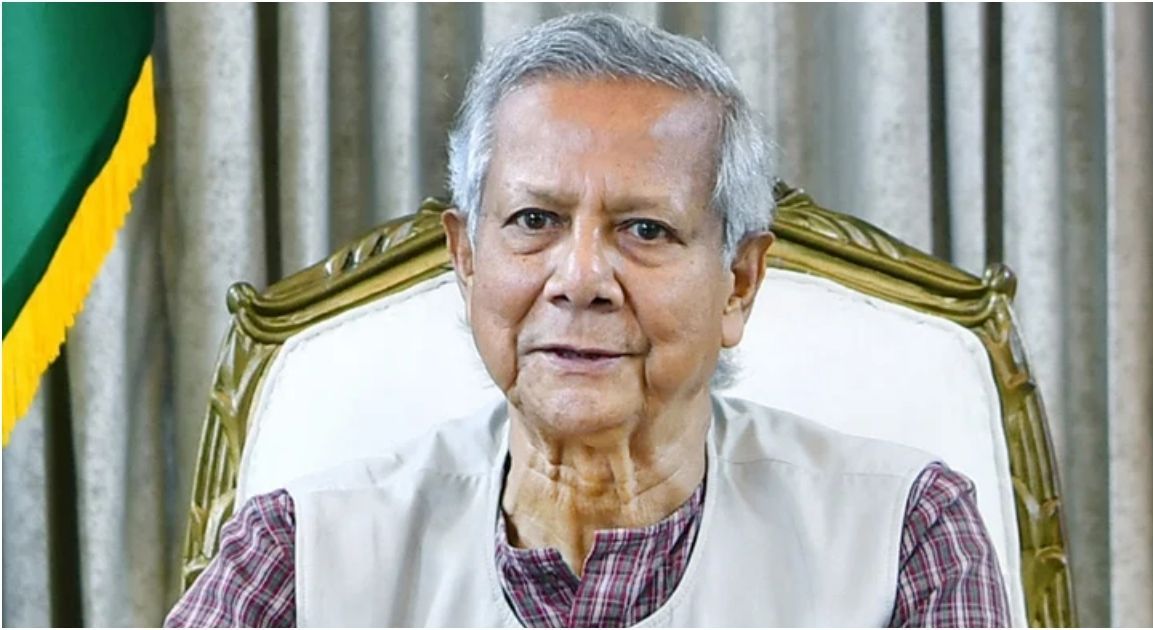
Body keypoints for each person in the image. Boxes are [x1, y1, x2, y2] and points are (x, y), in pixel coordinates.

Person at [166, 12, 1010, 628]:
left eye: (645, 229)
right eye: (534, 221)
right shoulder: (300, 549)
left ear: (740, 283)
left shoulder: (906, 532)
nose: (579, 280)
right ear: (467, 259)